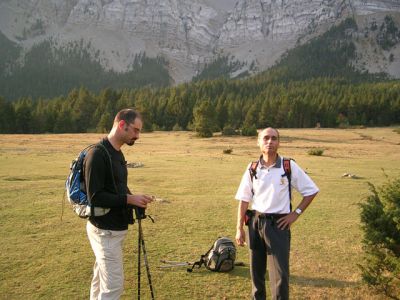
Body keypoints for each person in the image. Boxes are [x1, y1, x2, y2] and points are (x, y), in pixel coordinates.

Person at [235, 127, 319, 300]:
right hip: (255, 222)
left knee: (280, 276)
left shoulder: (288, 166)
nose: (270, 142)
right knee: (256, 273)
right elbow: (244, 199)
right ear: (258, 142)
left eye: (274, 138)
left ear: (279, 142)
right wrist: (239, 228)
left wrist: (295, 213)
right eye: (265, 138)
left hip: (278, 225)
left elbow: (311, 191)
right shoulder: (252, 168)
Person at [84, 108, 154, 300]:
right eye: (136, 130)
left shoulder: (117, 153)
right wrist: (129, 200)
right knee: (113, 287)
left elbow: (119, 188)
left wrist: (135, 200)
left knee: (100, 280)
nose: (138, 136)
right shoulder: (97, 154)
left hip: (113, 230)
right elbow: (95, 197)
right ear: (122, 124)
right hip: (104, 231)